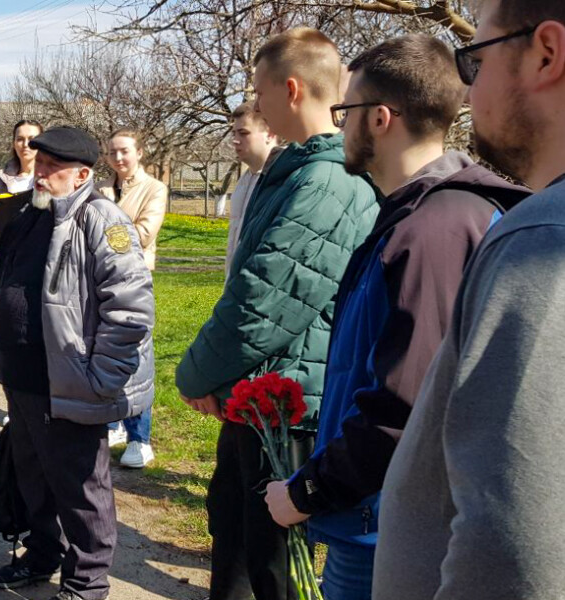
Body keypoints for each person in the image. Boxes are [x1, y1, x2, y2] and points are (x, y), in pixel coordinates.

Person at [259, 35, 529, 600]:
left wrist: (306, 492)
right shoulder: (420, 217)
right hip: (375, 517)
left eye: (344, 111)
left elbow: (403, 404)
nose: (338, 125)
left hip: (384, 530)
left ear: (379, 118)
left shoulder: (432, 231)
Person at [175, 28, 378, 600]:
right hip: (260, 398)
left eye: (259, 94)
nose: (254, 106)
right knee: (235, 537)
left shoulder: (327, 181)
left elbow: (265, 300)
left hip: (289, 408)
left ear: (290, 90)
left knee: (274, 566)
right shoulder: (295, 170)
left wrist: (195, 373)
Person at [373, 4, 565, 600]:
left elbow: (516, 542)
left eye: (474, 60)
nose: (467, 87)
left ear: (546, 53)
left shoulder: (541, 241)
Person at [0, 126, 155, 600]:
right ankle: (43, 555)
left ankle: (87, 582)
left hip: (70, 383)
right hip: (23, 380)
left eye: (51, 168)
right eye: (37, 165)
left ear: (81, 174)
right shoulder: (28, 215)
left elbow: (131, 309)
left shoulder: (104, 221)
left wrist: (101, 378)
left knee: (81, 489)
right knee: (32, 475)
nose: (39, 174)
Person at [95, 127, 167, 468]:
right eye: (113, 152)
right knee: (106, 352)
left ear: (140, 152)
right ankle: (113, 425)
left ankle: (141, 437)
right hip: (100, 282)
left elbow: (142, 234)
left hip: (135, 282)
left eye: (125, 151)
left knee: (137, 358)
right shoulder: (101, 189)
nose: (119, 158)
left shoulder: (155, 189)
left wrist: (105, 232)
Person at [225, 102, 280, 276]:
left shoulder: (284, 178)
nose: (235, 140)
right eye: (234, 133)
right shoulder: (244, 180)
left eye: (244, 133)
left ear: (270, 134)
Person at [0, 119, 43, 263]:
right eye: (20, 139)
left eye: (32, 139)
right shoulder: (1, 181)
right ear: (14, 143)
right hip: (5, 266)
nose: (25, 145)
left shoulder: (51, 180)